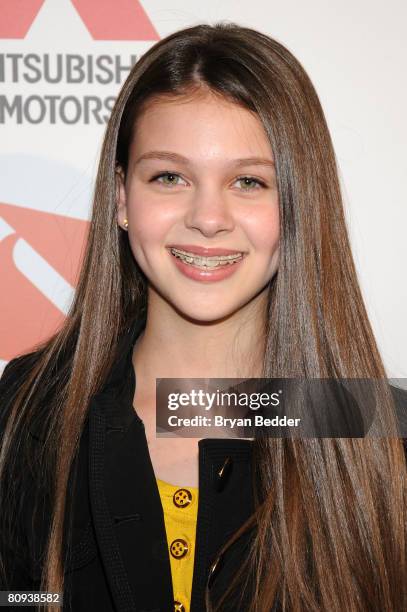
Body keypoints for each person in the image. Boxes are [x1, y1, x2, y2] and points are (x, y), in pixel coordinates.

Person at [0, 21, 406, 612]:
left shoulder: (379, 431)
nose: (208, 218)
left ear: (298, 203)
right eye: (170, 176)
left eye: (248, 181)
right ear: (120, 197)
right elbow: (18, 599)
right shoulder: (32, 409)